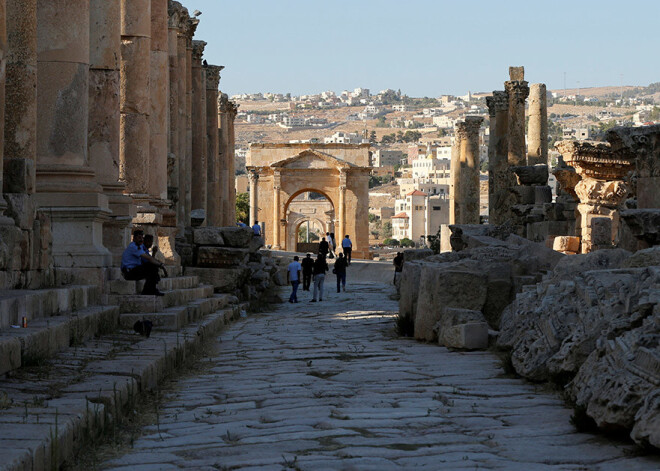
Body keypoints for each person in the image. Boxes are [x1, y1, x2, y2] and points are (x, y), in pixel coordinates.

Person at [121, 230, 167, 296]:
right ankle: (149, 291)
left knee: (152, 267)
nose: (141, 240)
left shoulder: (138, 247)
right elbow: (148, 258)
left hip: (133, 271)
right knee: (152, 266)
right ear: (134, 238)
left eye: (142, 238)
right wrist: (160, 265)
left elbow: (149, 259)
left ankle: (150, 290)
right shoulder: (133, 247)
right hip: (129, 272)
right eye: (139, 238)